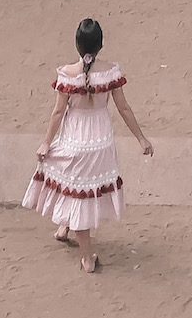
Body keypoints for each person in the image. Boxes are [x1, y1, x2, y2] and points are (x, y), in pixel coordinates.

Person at [22, 16, 153, 273]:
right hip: (100, 141)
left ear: (77, 45)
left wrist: (46, 143)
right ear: (100, 45)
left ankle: (87, 258)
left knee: (73, 187)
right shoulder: (111, 73)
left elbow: (57, 113)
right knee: (82, 188)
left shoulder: (67, 75)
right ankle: (65, 226)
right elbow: (124, 108)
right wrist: (141, 138)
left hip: (75, 139)